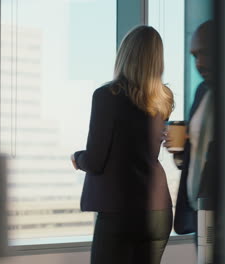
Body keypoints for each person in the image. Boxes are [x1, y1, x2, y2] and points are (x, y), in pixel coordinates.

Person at [71, 26, 174, 264]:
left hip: (120, 211)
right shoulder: (163, 98)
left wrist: (78, 158)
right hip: (158, 211)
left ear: (125, 54)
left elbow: (96, 160)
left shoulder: (107, 95)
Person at [164, 20, 216, 235]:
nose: (199, 63)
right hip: (199, 213)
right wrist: (180, 150)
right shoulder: (202, 91)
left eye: (205, 53)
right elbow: (194, 158)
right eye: (194, 56)